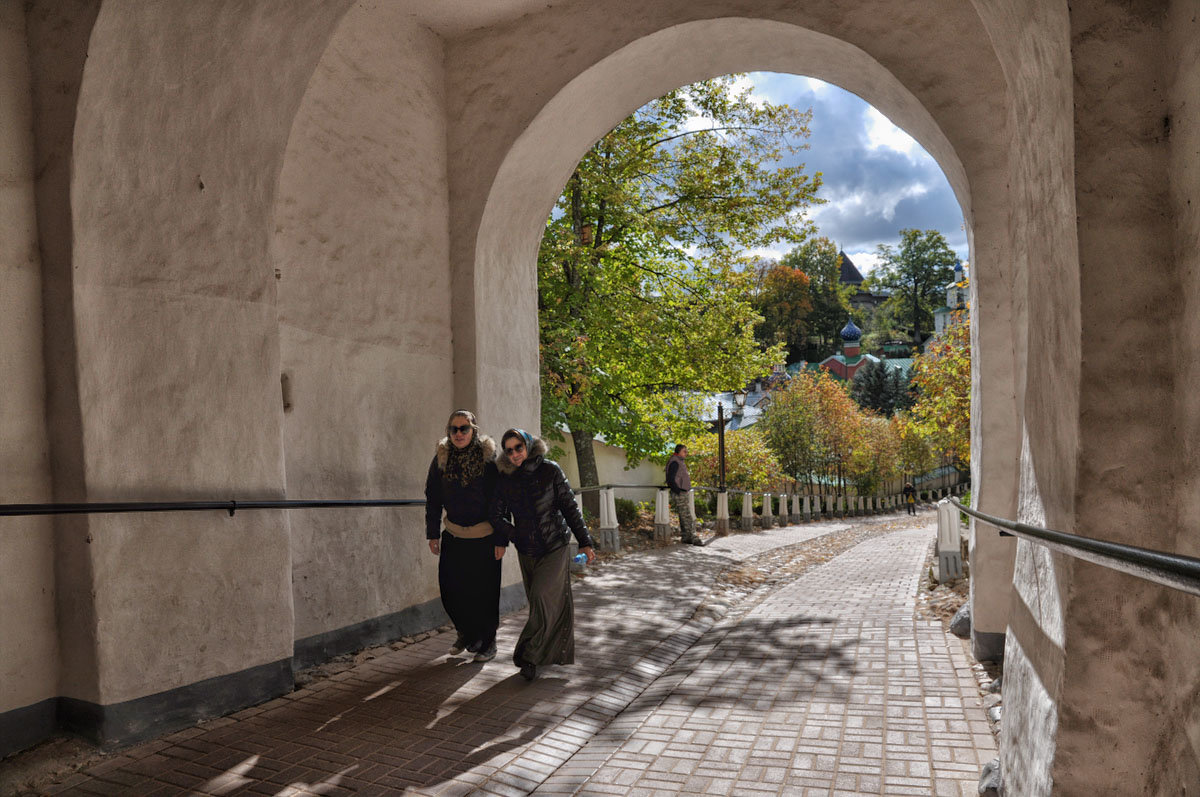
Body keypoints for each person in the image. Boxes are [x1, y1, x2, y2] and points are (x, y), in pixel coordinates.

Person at [491, 429, 595, 681]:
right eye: (510, 449)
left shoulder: (550, 470)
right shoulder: (505, 477)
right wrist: (510, 536)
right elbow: (496, 514)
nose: (515, 453)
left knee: (541, 595)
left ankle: (528, 654)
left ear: (528, 446)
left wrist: (585, 541)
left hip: (554, 545)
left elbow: (570, 507)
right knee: (540, 604)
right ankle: (542, 654)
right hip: (526, 549)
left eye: (519, 447)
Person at [424, 410, 501, 663]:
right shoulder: (441, 459)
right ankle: (467, 633)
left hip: (485, 536)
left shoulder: (488, 459)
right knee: (451, 591)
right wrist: (433, 533)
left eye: (463, 429)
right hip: (454, 535)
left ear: (473, 430)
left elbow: (500, 500)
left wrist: (501, 538)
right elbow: (433, 498)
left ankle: (487, 643)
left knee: (485, 593)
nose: (458, 434)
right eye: (454, 429)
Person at [665, 444, 702, 546]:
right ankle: (693, 538)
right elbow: (670, 479)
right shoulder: (675, 462)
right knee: (687, 516)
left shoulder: (679, 461)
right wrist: (678, 491)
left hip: (682, 492)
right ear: (678, 452)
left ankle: (686, 537)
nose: (686, 453)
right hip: (679, 492)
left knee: (683, 516)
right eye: (684, 451)